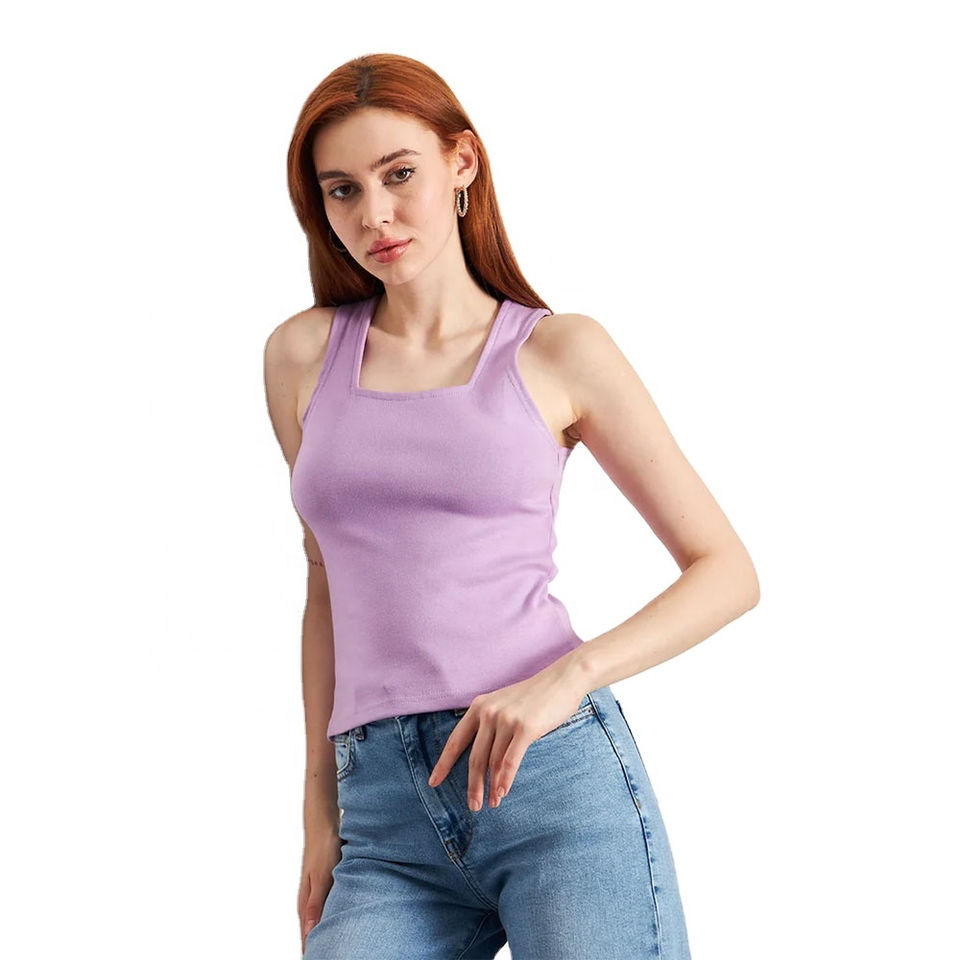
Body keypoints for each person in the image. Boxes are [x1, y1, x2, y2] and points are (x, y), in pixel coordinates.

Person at [264, 53, 759, 960]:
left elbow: (726, 571)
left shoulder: (559, 352)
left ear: (462, 162)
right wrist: (317, 812)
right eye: (342, 190)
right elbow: (326, 582)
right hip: (382, 814)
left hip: (552, 777)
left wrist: (567, 679)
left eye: (399, 174)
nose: (373, 215)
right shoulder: (301, 357)